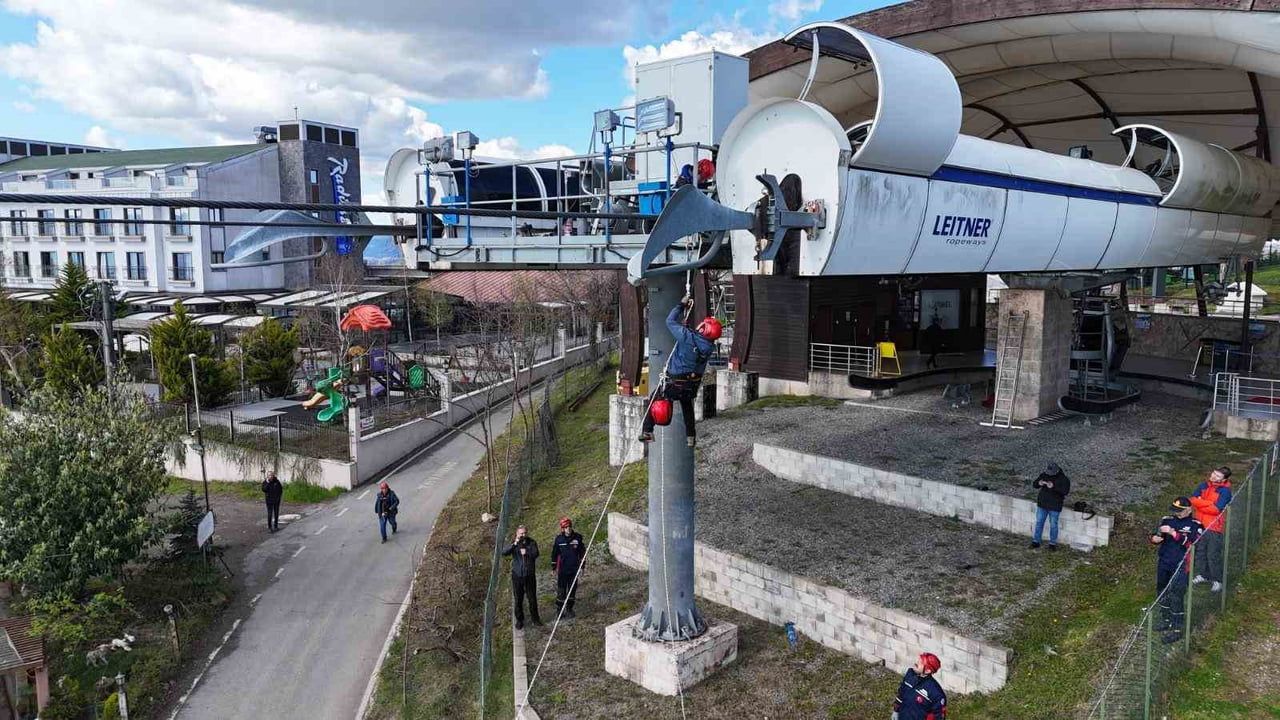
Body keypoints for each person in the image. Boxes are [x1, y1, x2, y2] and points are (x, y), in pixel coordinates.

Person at [638, 296, 721, 448]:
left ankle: (647, 431)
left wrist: (681, 305)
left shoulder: (686, 336)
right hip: (691, 385)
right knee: (687, 406)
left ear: (704, 329)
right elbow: (696, 342)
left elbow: (670, 321)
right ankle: (691, 436)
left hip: (675, 383)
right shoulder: (709, 348)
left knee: (655, 397)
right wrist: (686, 330)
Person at [1150, 496, 1203, 643]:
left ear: (1189, 510)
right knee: (1162, 590)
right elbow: (1156, 535)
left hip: (1181, 565)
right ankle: (1166, 619)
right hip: (1164, 561)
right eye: (1175, 510)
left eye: (1180, 511)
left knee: (1176, 594)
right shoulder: (1167, 520)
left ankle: (1177, 628)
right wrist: (1154, 539)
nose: (1176, 513)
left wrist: (1174, 533)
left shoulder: (1195, 525)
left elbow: (1193, 544)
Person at [1190, 466, 1232, 591]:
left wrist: (1200, 503)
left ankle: (1217, 580)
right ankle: (1203, 575)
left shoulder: (1225, 491)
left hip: (1214, 527)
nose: (1213, 476)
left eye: (1218, 476)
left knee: (1213, 554)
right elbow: (1193, 500)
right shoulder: (1203, 485)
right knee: (1200, 552)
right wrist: (1209, 503)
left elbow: (1216, 509)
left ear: (1224, 479)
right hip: (1199, 524)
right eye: (1214, 473)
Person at [502, 525, 542, 630]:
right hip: (517, 576)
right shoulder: (513, 543)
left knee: (532, 598)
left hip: (529, 575)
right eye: (521, 533)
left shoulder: (531, 542)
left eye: (525, 533)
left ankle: (535, 619)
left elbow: (536, 553)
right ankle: (519, 620)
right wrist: (515, 544)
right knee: (518, 599)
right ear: (517, 534)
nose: (523, 535)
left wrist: (527, 552)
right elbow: (504, 552)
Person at [891, 652, 947, 720]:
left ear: (927, 670)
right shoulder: (910, 674)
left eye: (920, 663)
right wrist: (896, 710)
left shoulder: (937, 694)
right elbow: (901, 693)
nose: (916, 663)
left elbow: (938, 716)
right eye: (918, 661)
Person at [550, 517, 586, 618]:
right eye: (566, 527)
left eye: (569, 526)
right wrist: (553, 568)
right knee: (561, 591)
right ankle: (559, 610)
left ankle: (569, 609)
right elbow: (554, 554)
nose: (568, 529)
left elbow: (582, 553)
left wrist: (582, 567)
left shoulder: (578, 538)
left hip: (574, 569)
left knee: (572, 590)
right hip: (563, 570)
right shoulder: (559, 539)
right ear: (562, 528)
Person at [1030, 462, 1071, 550]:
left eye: (1051, 473)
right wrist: (1039, 483)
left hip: (1055, 506)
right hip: (1042, 504)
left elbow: (1065, 491)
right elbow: (1034, 484)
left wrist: (1054, 486)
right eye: (1048, 472)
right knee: (1039, 523)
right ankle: (1036, 541)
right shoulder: (1044, 475)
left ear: (1056, 471)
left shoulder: (1064, 479)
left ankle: (1052, 543)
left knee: (1053, 525)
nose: (1049, 474)